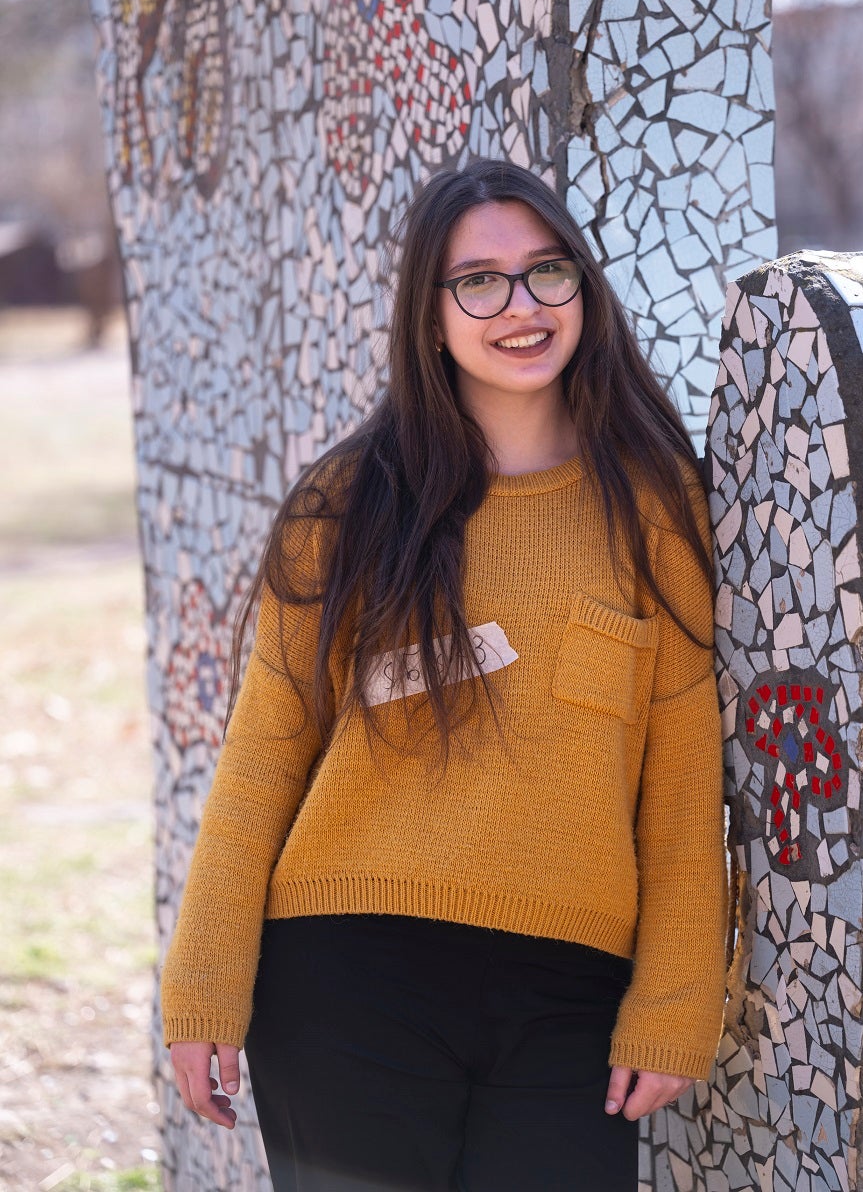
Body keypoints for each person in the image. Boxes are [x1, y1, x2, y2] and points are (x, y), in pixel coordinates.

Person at [162, 159, 728, 1191]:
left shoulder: (655, 505)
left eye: (546, 272)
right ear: (430, 315)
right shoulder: (346, 504)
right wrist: (203, 984)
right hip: (345, 972)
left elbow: (684, 771)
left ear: (584, 294)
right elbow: (263, 754)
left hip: (570, 992)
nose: (520, 305)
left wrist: (678, 995)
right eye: (479, 280)